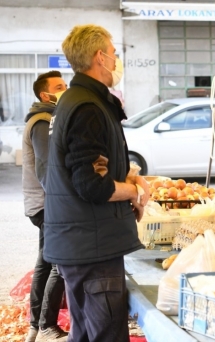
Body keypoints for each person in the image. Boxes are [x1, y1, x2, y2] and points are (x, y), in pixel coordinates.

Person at [43, 24, 150, 342]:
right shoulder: (87, 107)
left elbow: (95, 162)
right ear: (100, 57)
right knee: (104, 334)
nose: (118, 60)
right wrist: (135, 192)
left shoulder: (81, 100)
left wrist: (130, 175)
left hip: (83, 242)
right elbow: (92, 185)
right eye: (115, 53)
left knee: (88, 332)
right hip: (91, 244)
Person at [22, 71, 68, 342]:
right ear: (45, 95)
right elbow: (46, 169)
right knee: (59, 263)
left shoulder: (47, 118)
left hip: (41, 203)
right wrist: (63, 202)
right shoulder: (42, 121)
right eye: (60, 87)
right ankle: (47, 327)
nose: (66, 89)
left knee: (45, 261)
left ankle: (35, 327)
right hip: (46, 204)